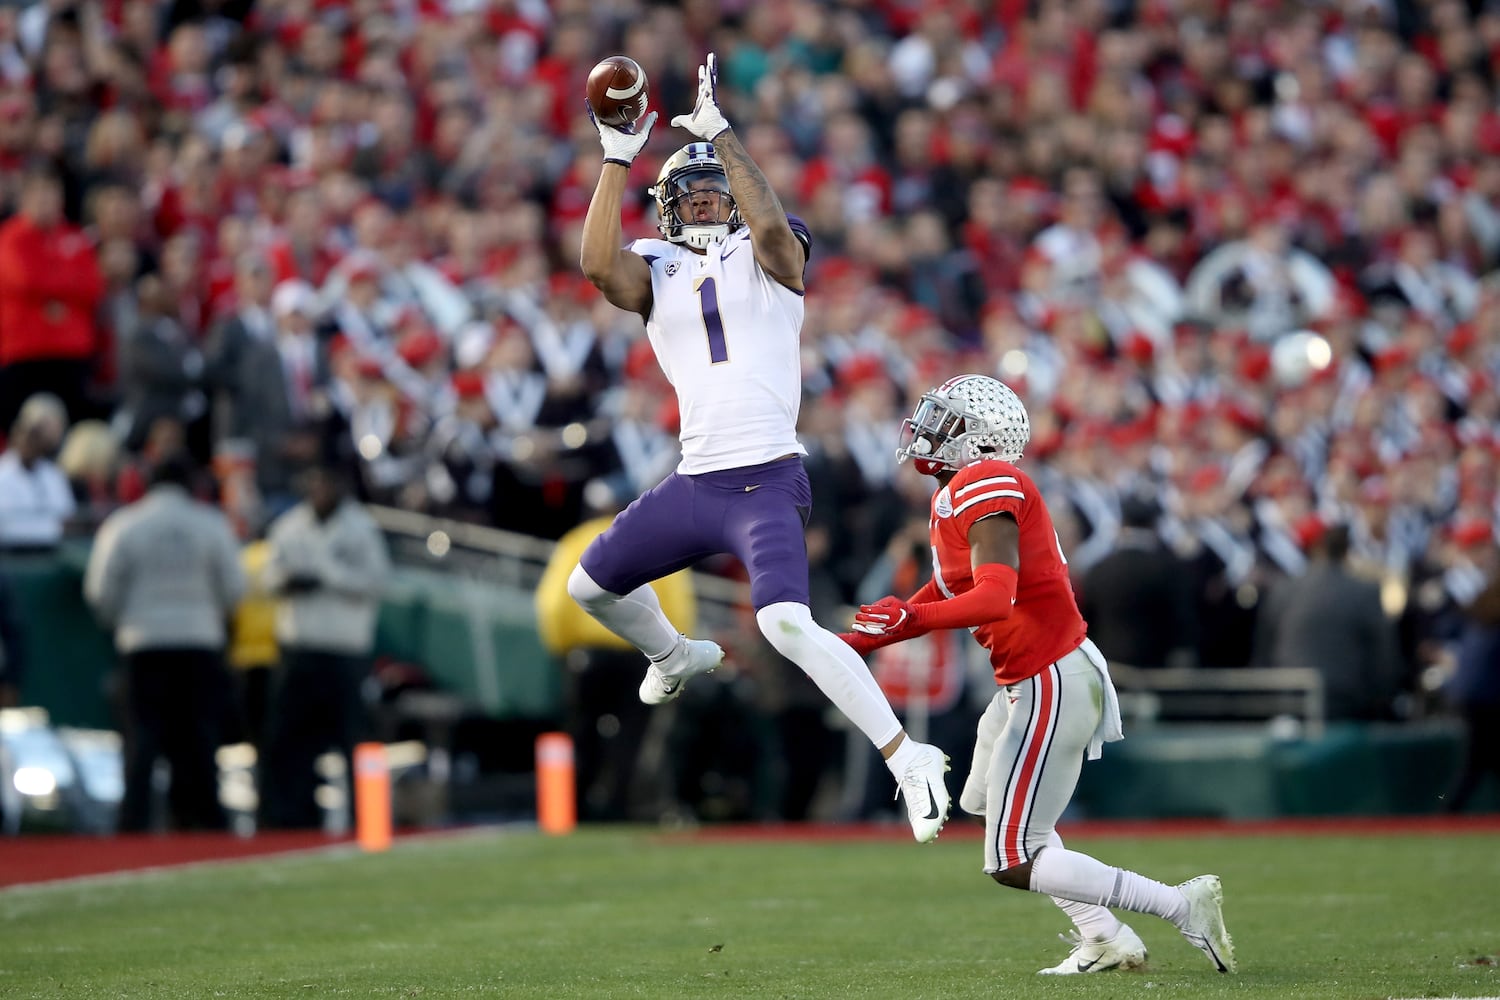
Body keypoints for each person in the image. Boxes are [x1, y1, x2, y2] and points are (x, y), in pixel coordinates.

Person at [571, 53, 951, 842]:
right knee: (589, 588)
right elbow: (595, 263)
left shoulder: (770, 250)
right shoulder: (657, 264)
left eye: (718, 190)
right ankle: (675, 656)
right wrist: (614, 154)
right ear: (668, 207)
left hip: (767, 478)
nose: (709, 201)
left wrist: (721, 135)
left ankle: (907, 755)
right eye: (693, 192)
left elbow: (774, 229)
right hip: (695, 479)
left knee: (784, 622)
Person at [845, 374, 1235, 974]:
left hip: (1047, 675)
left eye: (946, 421)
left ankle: (1180, 905)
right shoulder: (959, 491)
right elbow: (949, 591)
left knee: (1012, 858)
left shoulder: (987, 481)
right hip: (1031, 677)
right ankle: (1105, 935)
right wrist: (856, 640)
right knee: (986, 804)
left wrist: (910, 614)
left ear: (980, 439)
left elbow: (994, 598)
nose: (927, 427)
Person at [83, 451, 245, 832]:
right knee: (199, 742)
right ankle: (204, 826)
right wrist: (207, 616)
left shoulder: (124, 525)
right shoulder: (211, 524)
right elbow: (235, 589)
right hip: (199, 641)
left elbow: (100, 592)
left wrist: (125, 621)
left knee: (142, 743)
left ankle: (134, 827)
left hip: (143, 643)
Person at [258, 462, 390, 830]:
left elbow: (377, 581)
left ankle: (366, 820)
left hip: (345, 649)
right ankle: (289, 822)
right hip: (299, 646)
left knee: (352, 739)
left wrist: (330, 576)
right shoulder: (289, 526)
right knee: (291, 742)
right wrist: (290, 582)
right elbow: (267, 577)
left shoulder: (361, 528)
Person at [1252, 520, 1403, 720]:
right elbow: (1384, 665)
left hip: (1290, 703)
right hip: (1346, 708)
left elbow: (1263, 659)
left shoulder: (1282, 591)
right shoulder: (1365, 592)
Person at [1079, 494, 1199, 670]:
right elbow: (1183, 623)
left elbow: (1086, 621)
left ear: (1123, 524)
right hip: (1156, 671)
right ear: (1155, 525)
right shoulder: (1169, 569)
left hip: (1109, 669)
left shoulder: (1099, 569)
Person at [0, 393, 77, 551]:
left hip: (52, 550)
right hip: (11, 553)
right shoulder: (3, 473)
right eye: (25, 437)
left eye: (35, 438)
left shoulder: (53, 474)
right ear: (15, 438)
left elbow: (67, 515)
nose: (29, 443)